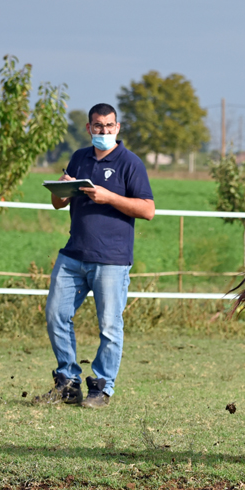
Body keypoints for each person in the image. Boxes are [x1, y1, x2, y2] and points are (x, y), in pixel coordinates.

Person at [35, 103, 155, 408]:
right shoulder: (79, 158)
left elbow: (148, 210)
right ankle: (68, 383)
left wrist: (110, 197)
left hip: (112, 260)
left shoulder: (130, 163)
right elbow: (57, 204)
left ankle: (102, 388)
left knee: (109, 326)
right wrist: (60, 189)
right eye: (97, 126)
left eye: (109, 126)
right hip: (73, 254)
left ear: (117, 127)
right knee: (55, 315)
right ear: (89, 127)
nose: (103, 131)